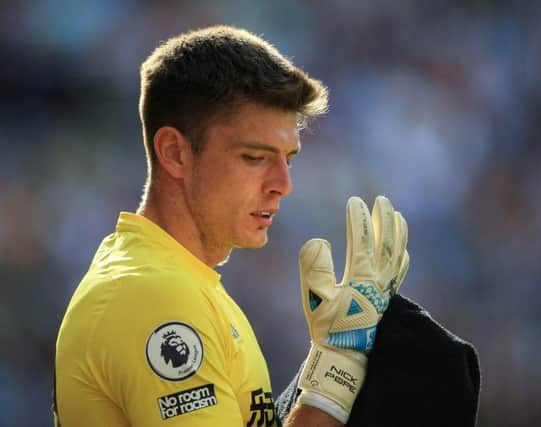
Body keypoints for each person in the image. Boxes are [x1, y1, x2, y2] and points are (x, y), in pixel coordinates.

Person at [54, 25, 409, 427]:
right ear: (175, 153)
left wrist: (333, 361)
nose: (283, 186)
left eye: (288, 159)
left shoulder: (180, 282)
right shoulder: (155, 294)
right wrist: (339, 370)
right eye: (255, 157)